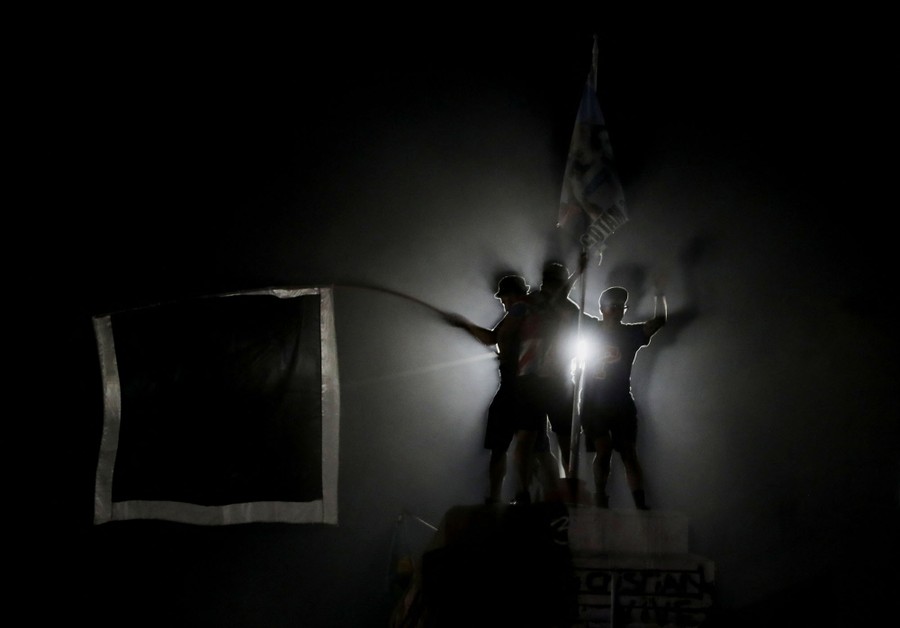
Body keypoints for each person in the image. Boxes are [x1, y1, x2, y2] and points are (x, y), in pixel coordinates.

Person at [442, 275, 559, 505]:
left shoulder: (522, 308)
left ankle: (524, 495)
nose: (504, 303)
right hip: (515, 385)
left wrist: (465, 325)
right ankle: (501, 498)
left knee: (530, 446)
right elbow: (494, 338)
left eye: (505, 298)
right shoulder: (521, 311)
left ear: (514, 295)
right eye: (503, 300)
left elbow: (495, 337)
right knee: (518, 446)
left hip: (523, 385)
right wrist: (466, 326)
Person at [581, 285, 667, 510]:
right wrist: (576, 275)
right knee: (603, 449)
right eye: (613, 306)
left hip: (620, 401)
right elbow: (564, 309)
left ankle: (640, 505)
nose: (617, 311)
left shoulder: (629, 334)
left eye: (620, 307)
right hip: (593, 402)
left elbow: (659, 321)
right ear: (602, 308)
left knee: (628, 452)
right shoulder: (589, 328)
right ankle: (600, 498)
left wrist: (659, 293)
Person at [513, 258, 585, 503]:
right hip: (531, 378)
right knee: (526, 437)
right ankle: (523, 492)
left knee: (566, 439)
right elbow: (515, 324)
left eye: (555, 283)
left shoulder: (570, 309)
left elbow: (566, 318)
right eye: (549, 282)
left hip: (557, 379)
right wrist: (577, 274)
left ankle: (570, 491)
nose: (550, 287)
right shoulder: (530, 302)